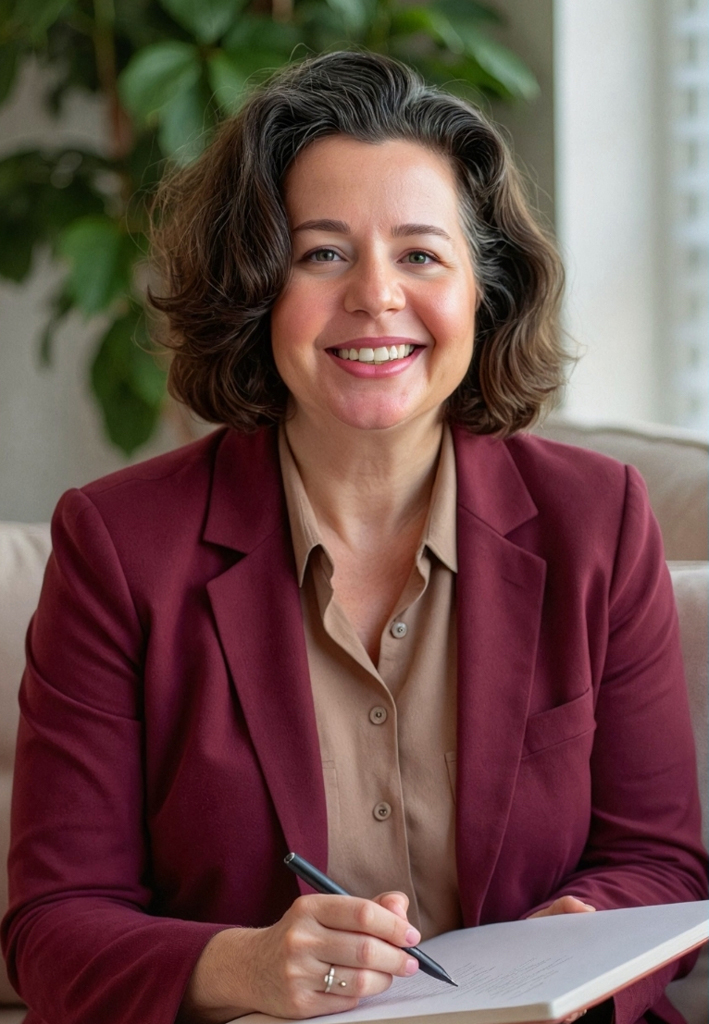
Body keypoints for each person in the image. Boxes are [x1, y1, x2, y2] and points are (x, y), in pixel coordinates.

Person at [1, 51, 706, 1024]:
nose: (376, 297)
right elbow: (52, 927)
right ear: (257, 286)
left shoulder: (600, 519)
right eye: (322, 252)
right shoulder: (119, 545)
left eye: (420, 253)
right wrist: (243, 967)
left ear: (481, 290)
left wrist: (569, 948)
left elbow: (658, 858)